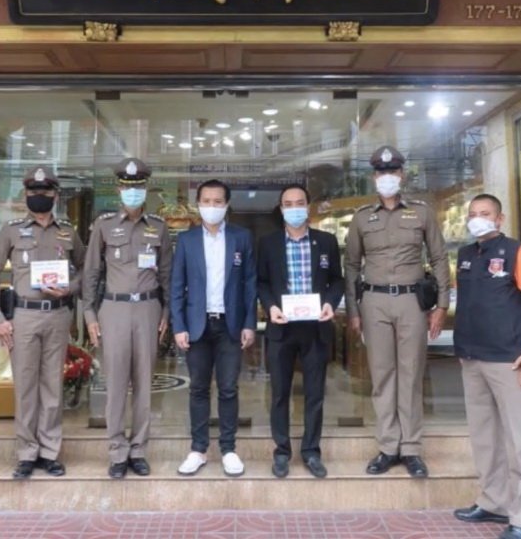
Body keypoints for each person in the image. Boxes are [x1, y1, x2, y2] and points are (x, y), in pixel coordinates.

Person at [344, 145, 450, 479]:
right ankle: (389, 446)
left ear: (401, 175)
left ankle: (412, 449)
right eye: (381, 172)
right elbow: (351, 266)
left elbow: (439, 258)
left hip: (411, 302)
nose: (386, 177)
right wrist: (353, 310)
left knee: (411, 374)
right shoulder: (362, 217)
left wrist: (442, 304)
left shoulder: (421, 212)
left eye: (391, 172)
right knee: (382, 375)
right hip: (373, 301)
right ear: (374, 177)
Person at [452, 194, 521, 539]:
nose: (477, 218)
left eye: (485, 213)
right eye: (472, 214)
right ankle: (493, 501)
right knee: (485, 437)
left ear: (500, 218)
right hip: (473, 357)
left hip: (510, 360)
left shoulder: (516, 252)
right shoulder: (466, 255)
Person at [0, 165, 85, 480]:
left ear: (55, 195)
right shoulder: (11, 230)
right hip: (24, 316)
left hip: (57, 314)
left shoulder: (68, 231)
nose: (38, 195)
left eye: (44, 191)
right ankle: (27, 453)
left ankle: (49, 452)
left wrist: (71, 288)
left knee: (53, 385)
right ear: (25, 194)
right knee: (26, 386)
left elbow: (86, 270)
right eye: (33, 191)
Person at [81, 157, 173, 479]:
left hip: (148, 309)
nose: (133, 192)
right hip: (114, 309)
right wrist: (89, 314)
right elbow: (91, 273)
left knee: (145, 384)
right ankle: (117, 450)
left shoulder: (159, 227)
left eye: (138, 187)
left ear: (145, 189)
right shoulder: (104, 226)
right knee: (116, 383)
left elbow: (167, 275)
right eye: (127, 187)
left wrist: (167, 311)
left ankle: (138, 449)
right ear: (119, 190)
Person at [170, 179, 257, 477]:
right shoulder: (187, 240)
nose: (212, 206)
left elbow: (249, 284)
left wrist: (249, 323)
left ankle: (228, 449)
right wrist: (179, 325)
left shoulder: (241, 238)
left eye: (217, 201)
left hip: (230, 325)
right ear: (198, 204)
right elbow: (177, 286)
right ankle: (198, 449)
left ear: (227, 204)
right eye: (206, 201)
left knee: (229, 389)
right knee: (198, 388)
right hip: (197, 325)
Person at [257, 184, 344, 479]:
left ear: (308, 206)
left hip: (316, 328)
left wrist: (331, 303)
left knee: (315, 394)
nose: (294, 208)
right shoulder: (268, 243)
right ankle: (282, 452)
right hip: (281, 328)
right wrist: (270, 307)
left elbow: (337, 280)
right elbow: (261, 282)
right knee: (280, 393)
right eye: (288, 203)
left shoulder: (326, 241)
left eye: (299, 203)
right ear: (281, 209)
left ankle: (311, 451)